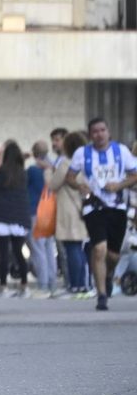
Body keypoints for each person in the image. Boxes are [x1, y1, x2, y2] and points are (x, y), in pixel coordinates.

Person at [69, 117, 137, 312]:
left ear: (108, 132)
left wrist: (119, 185)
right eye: (95, 131)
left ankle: (107, 275)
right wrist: (80, 186)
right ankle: (101, 295)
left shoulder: (121, 151)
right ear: (90, 135)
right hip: (94, 207)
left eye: (102, 130)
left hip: (117, 208)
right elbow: (70, 177)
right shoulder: (82, 154)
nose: (99, 134)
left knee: (113, 255)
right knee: (99, 249)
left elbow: (135, 174)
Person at [0, 140, 32, 297]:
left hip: (2, 215)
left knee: (4, 253)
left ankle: (3, 286)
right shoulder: (23, 173)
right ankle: (24, 285)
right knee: (18, 252)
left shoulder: (2, 171)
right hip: (20, 216)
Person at [48, 130, 90, 298]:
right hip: (84, 210)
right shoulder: (86, 162)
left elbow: (52, 185)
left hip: (68, 212)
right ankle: (84, 284)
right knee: (81, 249)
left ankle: (76, 285)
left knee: (72, 249)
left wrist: (48, 171)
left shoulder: (65, 163)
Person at [26, 140, 58, 294]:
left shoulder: (32, 170)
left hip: (35, 211)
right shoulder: (53, 167)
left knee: (38, 250)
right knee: (49, 249)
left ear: (34, 152)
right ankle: (52, 282)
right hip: (49, 212)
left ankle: (43, 284)